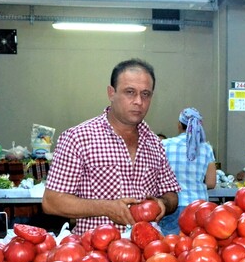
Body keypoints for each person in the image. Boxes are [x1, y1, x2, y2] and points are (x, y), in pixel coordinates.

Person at [42, 59, 181, 234]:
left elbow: (171, 194)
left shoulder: (154, 143)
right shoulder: (78, 138)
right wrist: (106, 208)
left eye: (146, 94)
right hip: (95, 254)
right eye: (130, 92)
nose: (139, 101)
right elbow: (52, 202)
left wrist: (163, 204)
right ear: (111, 93)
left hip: (146, 251)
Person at [161, 108, 217, 235]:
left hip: (172, 206)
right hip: (200, 208)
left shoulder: (164, 145)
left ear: (179, 125)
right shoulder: (207, 148)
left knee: (172, 248)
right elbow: (211, 182)